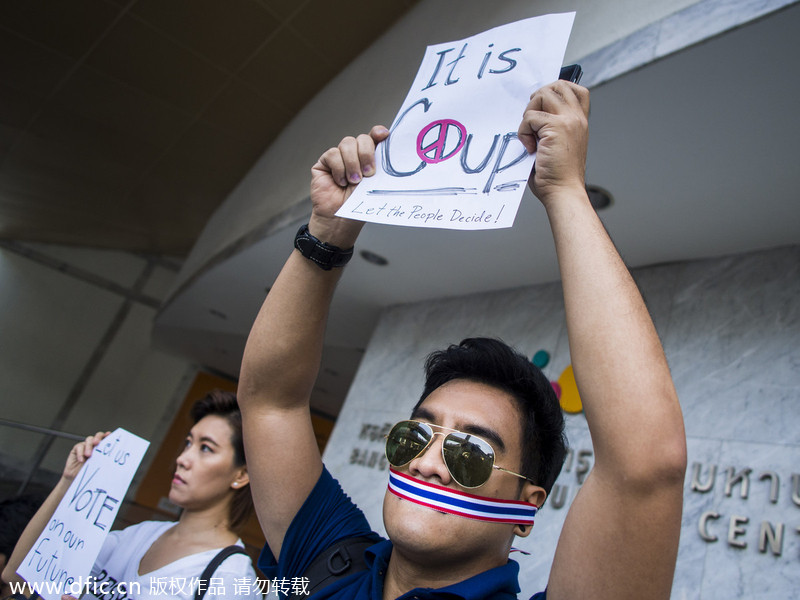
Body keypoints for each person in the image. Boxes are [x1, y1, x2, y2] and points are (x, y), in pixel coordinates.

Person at [237, 80, 687, 599]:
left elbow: (645, 464)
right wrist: (327, 231)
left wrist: (564, 192)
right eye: (414, 437)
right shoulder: (324, 562)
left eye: (469, 453)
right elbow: (270, 401)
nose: (426, 463)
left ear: (527, 505)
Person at [2, 391, 263, 600]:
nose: (182, 459)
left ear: (241, 475)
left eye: (205, 448)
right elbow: (17, 577)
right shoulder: (138, 535)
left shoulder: (230, 580)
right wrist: (70, 482)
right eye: (187, 443)